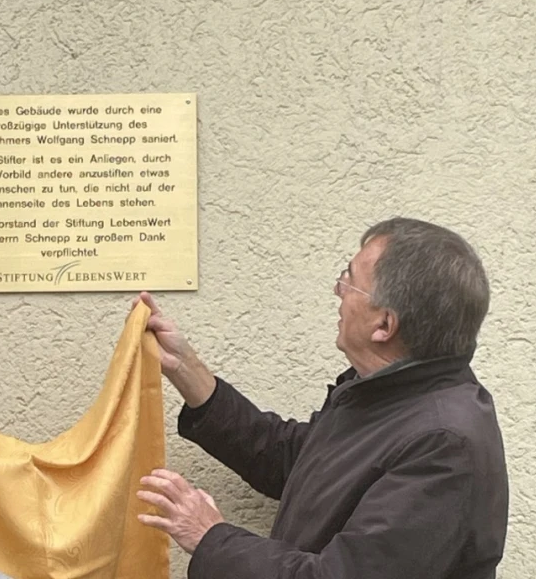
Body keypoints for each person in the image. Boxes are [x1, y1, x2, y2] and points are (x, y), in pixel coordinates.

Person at [134, 217, 508, 578]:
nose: (338, 290)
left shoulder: (442, 445)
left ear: (384, 325)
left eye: (350, 280)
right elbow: (296, 462)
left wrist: (210, 538)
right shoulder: (387, 395)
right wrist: (187, 370)